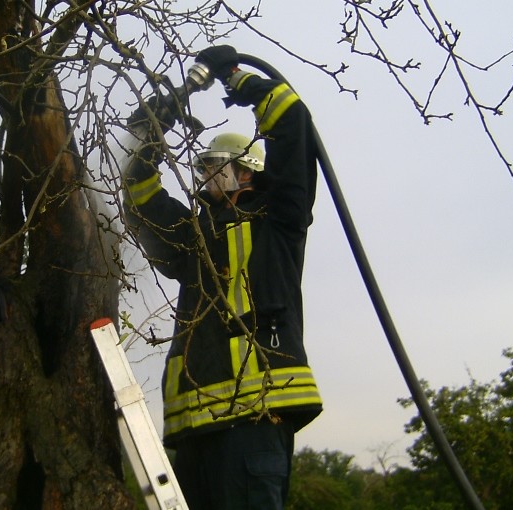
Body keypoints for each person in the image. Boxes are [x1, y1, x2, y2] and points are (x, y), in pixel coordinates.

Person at [122, 45, 323, 509]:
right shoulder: (194, 236)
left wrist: (234, 77)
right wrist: (161, 118)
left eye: (214, 166)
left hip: (255, 421)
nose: (205, 175)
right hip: (194, 430)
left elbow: (294, 127)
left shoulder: (280, 219)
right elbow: (139, 189)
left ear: (245, 173)